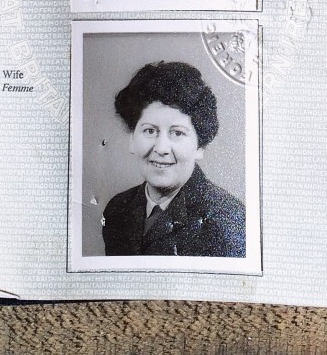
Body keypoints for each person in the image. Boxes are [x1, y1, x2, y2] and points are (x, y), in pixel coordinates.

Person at [102, 61, 246, 258]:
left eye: (177, 133)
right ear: (132, 140)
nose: (161, 148)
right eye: (150, 131)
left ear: (200, 146)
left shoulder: (228, 221)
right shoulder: (117, 210)